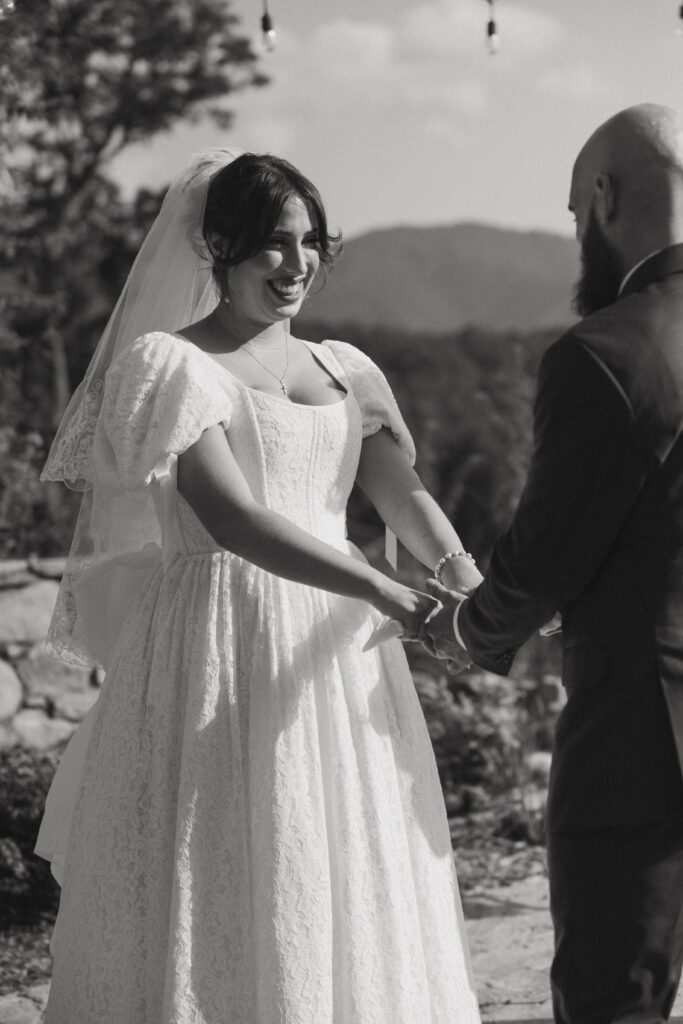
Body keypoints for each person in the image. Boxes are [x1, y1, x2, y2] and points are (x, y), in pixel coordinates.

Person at [37, 149, 482, 1024]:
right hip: (217, 636)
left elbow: (405, 496)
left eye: (311, 241)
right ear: (217, 245)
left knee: (340, 851)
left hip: (334, 655)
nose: (297, 263)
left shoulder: (345, 369)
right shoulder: (168, 365)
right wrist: (384, 591)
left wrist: (468, 584)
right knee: (222, 856)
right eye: (274, 243)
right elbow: (233, 520)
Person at [423, 103, 683, 1023]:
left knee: (615, 990)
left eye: (576, 214)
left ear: (605, 198)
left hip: (641, 730)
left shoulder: (604, 351)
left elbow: (545, 558)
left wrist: (462, 623)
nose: (577, 234)